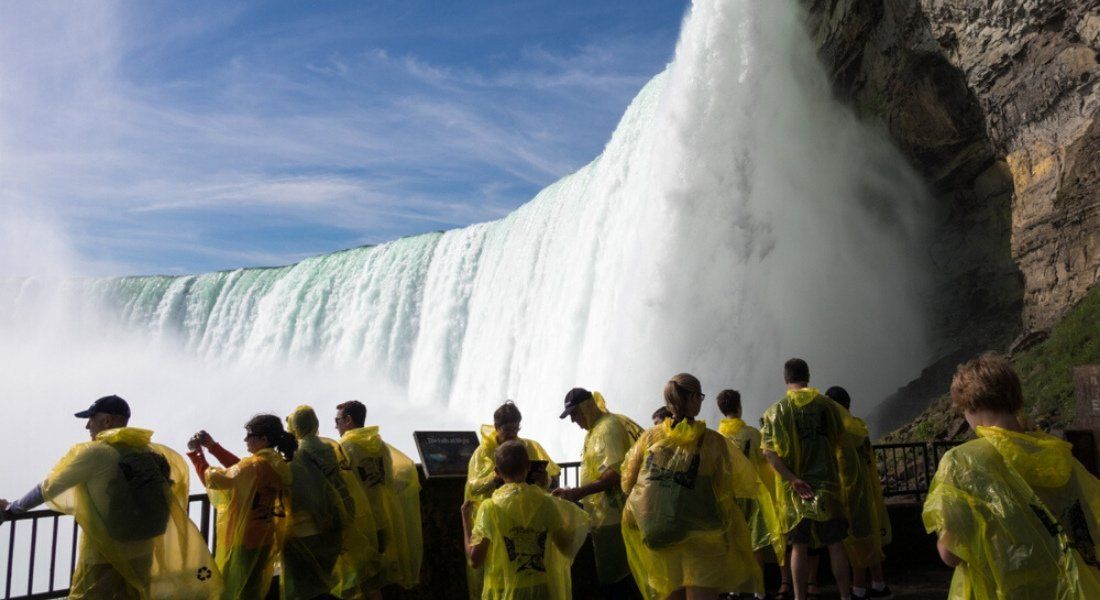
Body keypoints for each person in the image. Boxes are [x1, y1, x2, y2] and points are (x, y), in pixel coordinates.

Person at [0, 395, 221, 600]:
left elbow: (48, 488)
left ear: (106, 421)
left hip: (104, 553)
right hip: (142, 548)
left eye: (91, 419)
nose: (87, 426)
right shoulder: (147, 451)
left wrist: (12, 509)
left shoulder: (96, 453)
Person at [923, 353, 1100, 598]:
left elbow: (950, 554)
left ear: (971, 405)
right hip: (1064, 588)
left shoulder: (962, 462)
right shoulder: (1056, 453)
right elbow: (1087, 528)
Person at [621, 373, 761, 599]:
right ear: (694, 398)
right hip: (705, 537)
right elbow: (725, 491)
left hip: (661, 533)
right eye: (701, 397)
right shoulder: (714, 442)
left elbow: (627, 483)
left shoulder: (649, 438)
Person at [760, 359, 853, 600]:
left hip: (795, 490)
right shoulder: (827, 406)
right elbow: (839, 436)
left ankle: (799, 597)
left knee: (798, 547)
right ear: (808, 376)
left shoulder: (774, 412)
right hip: (827, 485)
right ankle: (845, 596)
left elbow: (769, 453)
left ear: (785, 379)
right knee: (835, 544)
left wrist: (793, 479)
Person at [461, 440, 589, 600]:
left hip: (504, 591)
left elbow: (475, 560)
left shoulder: (489, 508)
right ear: (528, 466)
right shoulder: (546, 503)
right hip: (542, 590)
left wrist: (466, 519)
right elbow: (566, 546)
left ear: (497, 472)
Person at [188, 414, 295, 600]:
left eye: (250, 435)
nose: (245, 439)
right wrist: (213, 447)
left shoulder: (255, 465)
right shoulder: (274, 463)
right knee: (251, 589)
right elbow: (240, 470)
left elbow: (215, 480)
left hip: (243, 539)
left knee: (235, 591)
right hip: (264, 536)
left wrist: (197, 455)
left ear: (264, 439)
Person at [554, 388, 645, 598]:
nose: (573, 421)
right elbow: (600, 471)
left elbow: (615, 473)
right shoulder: (595, 431)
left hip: (616, 518)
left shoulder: (607, 430)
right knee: (612, 578)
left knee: (621, 580)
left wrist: (579, 492)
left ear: (586, 407)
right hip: (603, 519)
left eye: (574, 414)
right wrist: (572, 492)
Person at [465, 401, 560, 599]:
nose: (512, 434)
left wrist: (547, 479)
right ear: (496, 427)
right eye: (507, 429)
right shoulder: (482, 453)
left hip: (528, 515)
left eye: (516, 428)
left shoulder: (529, 446)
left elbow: (553, 476)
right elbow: (473, 486)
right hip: (497, 520)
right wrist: (497, 477)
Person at [282, 405, 380, 600]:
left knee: (308, 589)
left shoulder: (299, 453)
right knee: (328, 581)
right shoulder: (329, 447)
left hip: (311, 529)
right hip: (337, 521)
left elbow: (306, 492)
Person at [334, 400, 423, 596]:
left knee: (355, 586)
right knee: (374, 583)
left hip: (359, 526)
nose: (335, 425)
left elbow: (339, 488)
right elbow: (389, 480)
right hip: (382, 521)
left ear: (348, 420)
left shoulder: (343, 448)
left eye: (337, 420)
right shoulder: (380, 445)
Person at [824, 386, 891, 600]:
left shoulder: (839, 432)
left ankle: (859, 589)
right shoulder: (859, 427)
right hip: (867, 491)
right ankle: (879, 585)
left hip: (847, 493)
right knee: (868, 538)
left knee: (855, 542)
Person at [716, 389, 783, 597]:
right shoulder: (753, 434)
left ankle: (734, 590)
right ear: (739, 407)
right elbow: (764, 463)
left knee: (733, 545)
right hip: (752, 496)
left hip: (729, 498)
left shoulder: (717, 437)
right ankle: (759, 591)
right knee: (757, 544)